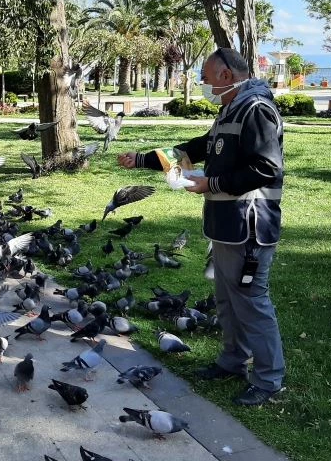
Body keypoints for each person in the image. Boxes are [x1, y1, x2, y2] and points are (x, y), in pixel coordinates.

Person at [117, 47, 285, 406]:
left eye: (206, 76)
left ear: (226, 75)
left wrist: (211, 184)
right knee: (226, 299)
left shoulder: (256, 110)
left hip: (249, 227)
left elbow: (267, 168)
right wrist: (144, 159)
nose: (203, 83)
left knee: (252, 301)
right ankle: (232, 361)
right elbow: (202, 147)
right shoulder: (230, 110)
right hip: (225, 226)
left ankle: (269, 380)